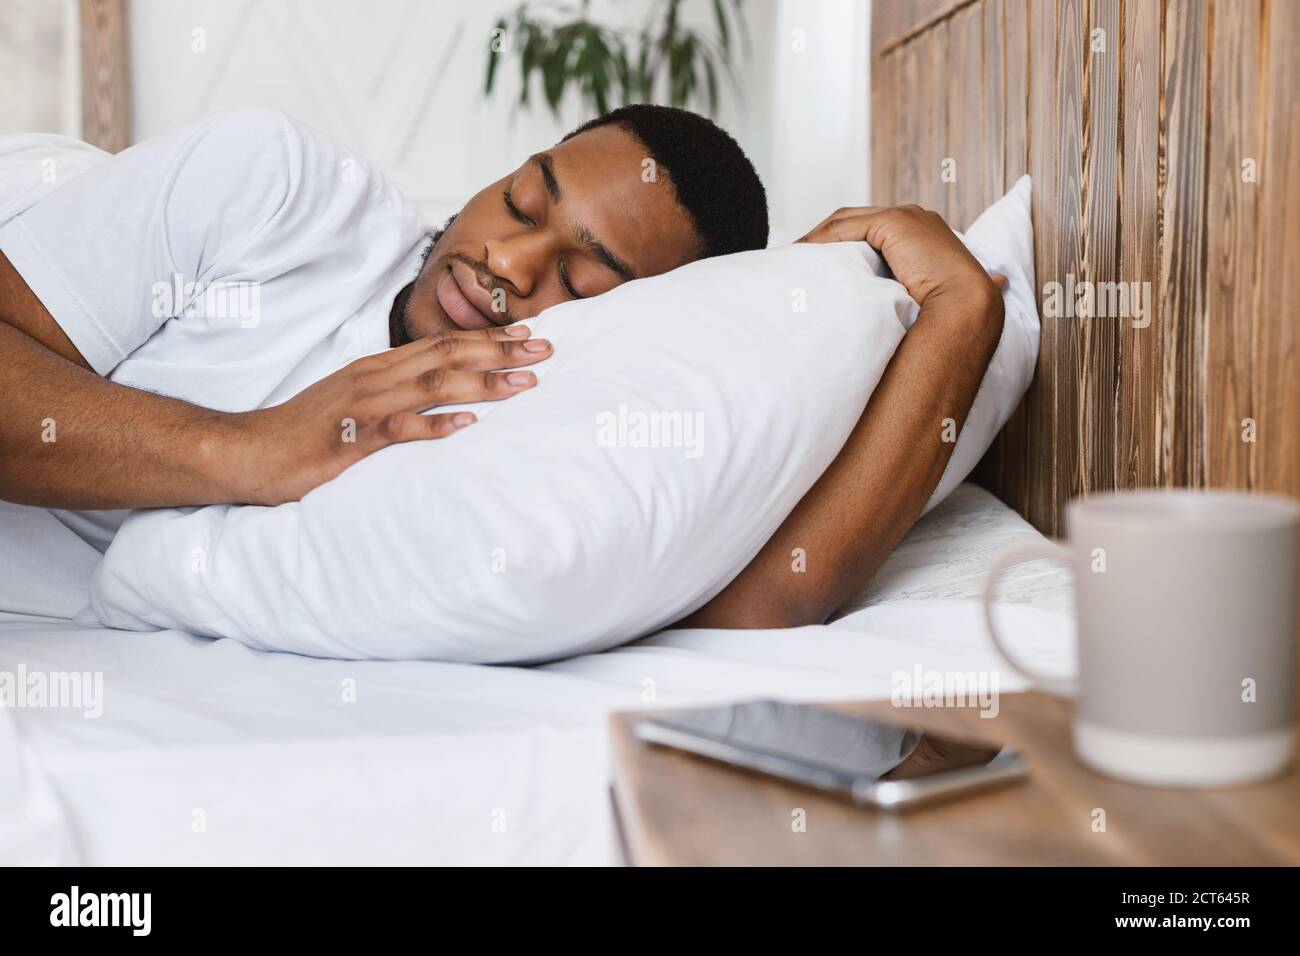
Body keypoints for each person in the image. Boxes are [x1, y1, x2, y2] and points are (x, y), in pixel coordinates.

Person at [0, 104, 1003, 628]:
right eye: (523, 203)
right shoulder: (277, 188)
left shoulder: (555, 422)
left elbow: (765, 602)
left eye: (580, 273)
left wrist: (961, 318)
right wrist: (246, 450)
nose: (506, 265)